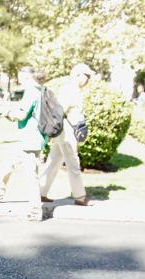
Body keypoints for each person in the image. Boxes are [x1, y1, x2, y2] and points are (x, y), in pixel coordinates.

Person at [0, 66, 46, 221]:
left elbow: (22, 115)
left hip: (31, 139)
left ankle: (36, 211)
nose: (20, 80)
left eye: (21, 77)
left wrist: (7, 114)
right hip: (31, 137)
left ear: (28, 77)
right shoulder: (41, 90)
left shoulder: (31, 91)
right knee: (10, 160)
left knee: (31, 175)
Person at [40, 63, 95, 207]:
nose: (88, 79)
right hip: (67, 133)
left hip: (64, 133)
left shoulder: (73, 90)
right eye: (87, 76)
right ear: (78, 75)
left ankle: (40, 192)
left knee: (53, 162)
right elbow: (59, 112)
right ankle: (80, 197)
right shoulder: (71, 90)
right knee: (73, 163)